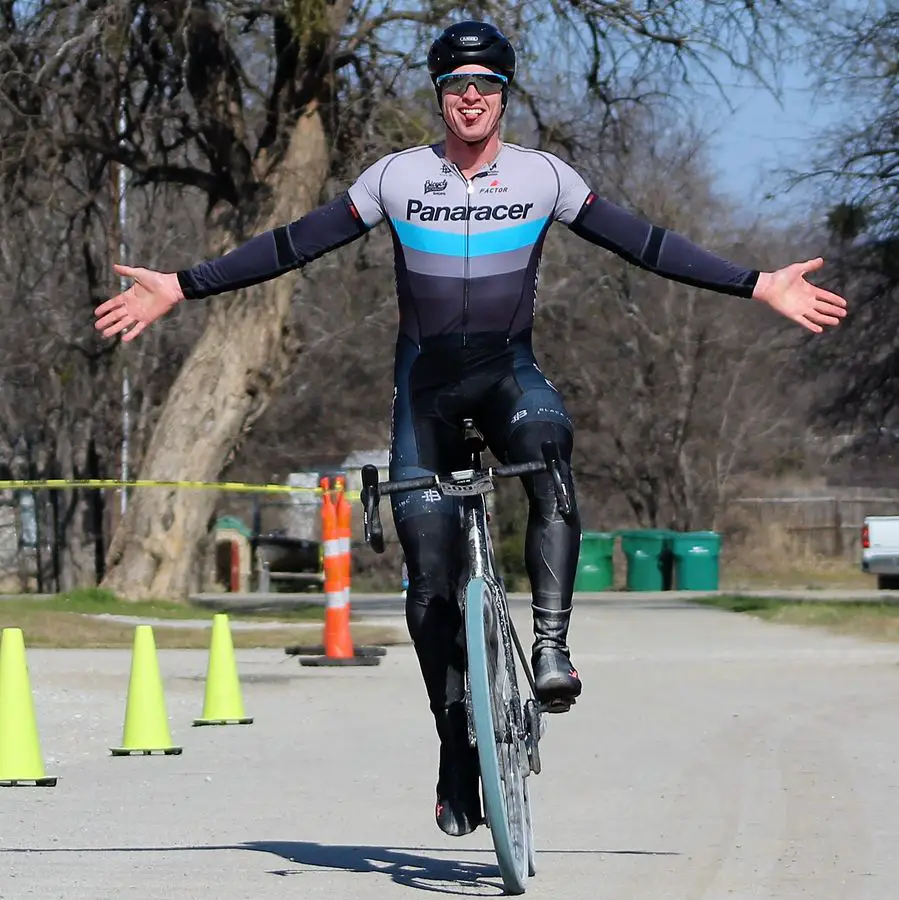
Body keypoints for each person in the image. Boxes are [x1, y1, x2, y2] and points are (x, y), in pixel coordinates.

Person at [94, 21, 847, 837]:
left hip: (506, 378)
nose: (471, 97)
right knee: (426, 585)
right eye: (456, 84)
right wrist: (181, 284)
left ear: (504, 95)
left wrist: (755, 283)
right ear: (440, 93)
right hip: (422, 393)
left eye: (486, 84)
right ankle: (456, 750)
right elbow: (294, 242)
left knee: (549, 449)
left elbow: (645, 243)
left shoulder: (543, 178)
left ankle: (551, 649)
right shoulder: (393, 178)